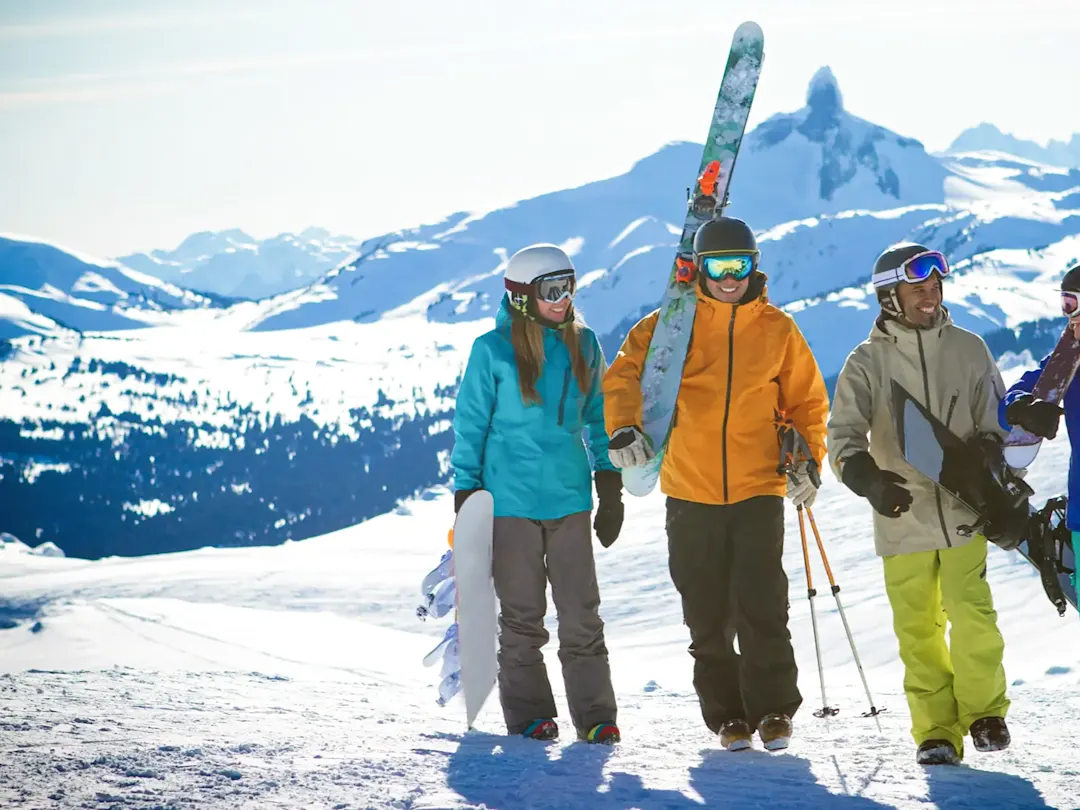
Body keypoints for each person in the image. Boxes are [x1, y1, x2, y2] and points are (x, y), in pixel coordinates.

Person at [602, 216, 829, 752]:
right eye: (719, 266)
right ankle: (727, 716)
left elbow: (808, 403)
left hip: (757, 487)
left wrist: (809, 461)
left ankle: (773, 710)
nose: (731, 277)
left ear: (755, 267)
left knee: (762, 604)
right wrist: (624, 427)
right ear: (698, 270)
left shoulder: (777, 329)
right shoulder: (669, 327)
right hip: (689, 489)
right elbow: (624, 375)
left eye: (741, 265)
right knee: (705, 611)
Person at [827, 242, 1012, 766]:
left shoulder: (969, 349)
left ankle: (984, 713)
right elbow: (842, 437)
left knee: (973, 614)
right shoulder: (867, 361)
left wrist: (988, 457)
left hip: (962, 511)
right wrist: (867, 480)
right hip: (900, 514)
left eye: (935, 287)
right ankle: (935, 732)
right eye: (917, 289)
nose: (930, 297)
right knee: (918, 628)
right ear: (890, 297)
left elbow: (996, 423)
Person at [450, 243, 624, 744]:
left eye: (569, 286)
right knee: (523, 618)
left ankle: (596, 717)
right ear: (524, 296)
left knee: (581, 616)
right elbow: (471, 426)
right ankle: (530, 715)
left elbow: (598, 416)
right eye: (552, 289)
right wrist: (467, 493)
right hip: (510, 505)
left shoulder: (583, 343)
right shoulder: (492, 350)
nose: (563, 298)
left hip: (569, 499)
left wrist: (607, 482)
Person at [1000, 263, 1080, 602]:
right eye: (1067, 304)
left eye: (1075, 306)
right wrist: (1022, 409)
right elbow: (1011, 397)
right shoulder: (1067, 362)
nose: (1071, 317)